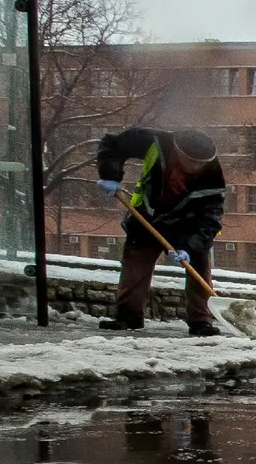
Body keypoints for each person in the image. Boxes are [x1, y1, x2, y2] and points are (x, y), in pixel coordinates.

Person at [95, 128, 225, 337]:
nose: (196, 167)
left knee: (199, 267)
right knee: (135, 266)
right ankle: (128, 317)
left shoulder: (213, 176)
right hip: (148, 217)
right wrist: (110, 174)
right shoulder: (153, 142)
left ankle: (201, 321)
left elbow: (210, 219)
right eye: (190, 161)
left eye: (201, 162)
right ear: (177, 149)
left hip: (187, 225)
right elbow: (112, 143)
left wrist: (190, 248)